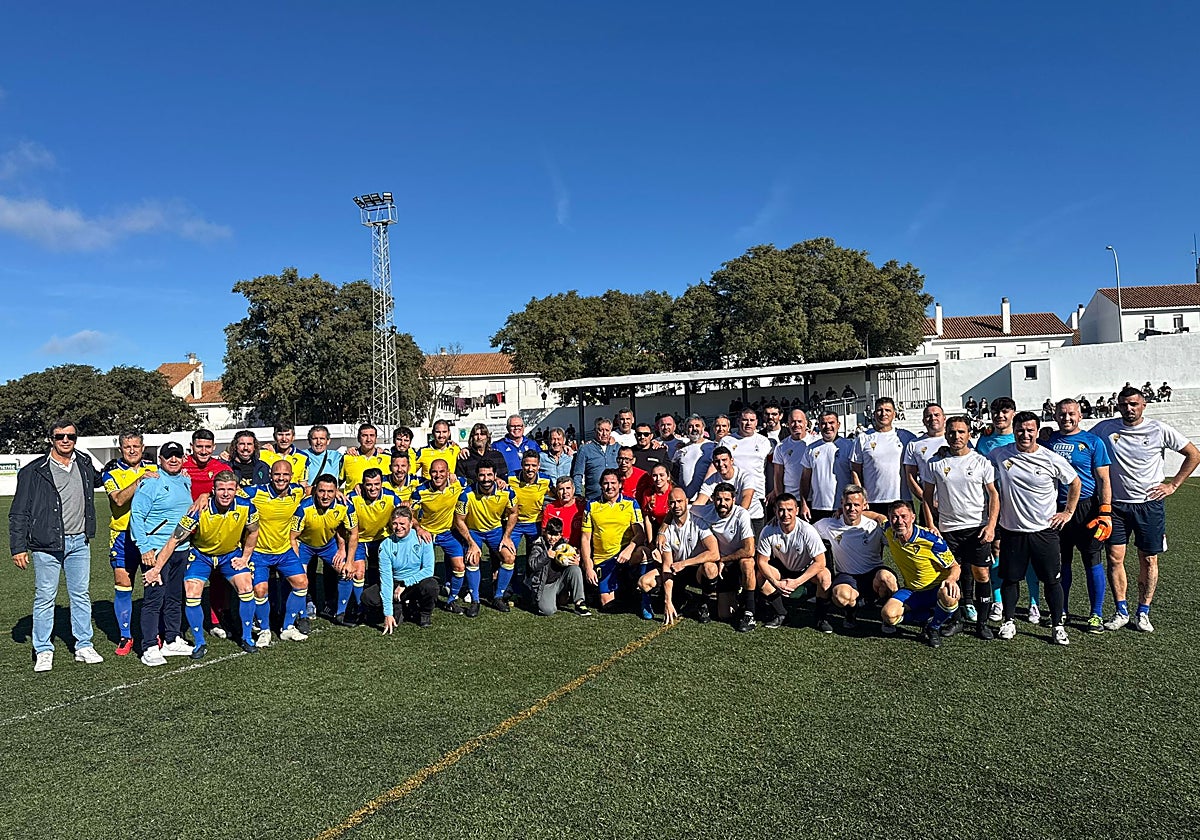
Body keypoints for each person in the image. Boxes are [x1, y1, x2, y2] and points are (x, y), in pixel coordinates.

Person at [1094, 386, 1200, 632]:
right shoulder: (1105, 428)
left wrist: (1173, 485)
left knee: (1149, 559)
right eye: (1124, 404)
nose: (1128, 409)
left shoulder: (1158, 429)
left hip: (1149, 505)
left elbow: (1193, 454)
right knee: (1114, 558)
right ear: (1118, 406)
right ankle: (1121, 611)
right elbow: (1082, 440)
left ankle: (1143, 612)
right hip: (1116, 506)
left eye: (1133, 404)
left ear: (1143, 405)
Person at [10, 419, 104, 672]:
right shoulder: (33, 470)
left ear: (76, 439)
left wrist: (136, 469)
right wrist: (18, 547)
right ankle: (43, 649)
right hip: (46, 545)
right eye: (60, 436)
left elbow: (101, 479)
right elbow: (19, 512)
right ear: (51, 439)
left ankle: (84, 645)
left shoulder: (84, 462)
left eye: (70, 436)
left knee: (81, 595)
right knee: (45, 597)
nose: (65, 440)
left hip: (79, 542)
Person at [990, 411, 1080, 645]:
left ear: (1037, 432)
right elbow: (976, 463)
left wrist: (1068, 512)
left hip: (1044, 531)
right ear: (1013, 431)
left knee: (1052, 580)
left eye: (1030, 430)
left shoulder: (1051, 458)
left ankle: (1057, 626)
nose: (1025, 434)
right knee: (1010, 580)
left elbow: (1074, 482)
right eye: (1020, 430)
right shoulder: (1000, 454)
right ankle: (1008, 621)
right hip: (1012, 531)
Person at [156, 471, 259, 658]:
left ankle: (246, 638)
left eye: (230, 489)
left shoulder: (247, 506)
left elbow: (253, 531)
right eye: (221, 489)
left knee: (246, 587)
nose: (225, 494)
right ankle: (199, 643)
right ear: (213, 491)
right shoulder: (199, 509)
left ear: (237, 490)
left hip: (230, 554)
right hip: (201, 555)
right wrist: (156, 569)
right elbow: (175, 539)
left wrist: (245, 557)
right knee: (192, 592)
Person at [920, 416, 999, 639]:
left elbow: (993, 494)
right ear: (946, 435)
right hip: (948, 529)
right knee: (950, 574)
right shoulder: (935, 462)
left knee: (981, 573)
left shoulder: (981, 462)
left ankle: (982, 623)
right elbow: (927, 497)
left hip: (977, 527)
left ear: (969, 434)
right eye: (952, 432)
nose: (957, 436)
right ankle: (956, 620)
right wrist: (931, 525)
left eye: (961, 432)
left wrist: (991, 525)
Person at [1046, 398, 1112, 633]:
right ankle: (1061, 611)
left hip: (1086, 509)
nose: (1067, 418)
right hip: (1056, 510)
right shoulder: (1047, 440)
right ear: (1055, 416)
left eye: (1071, 413)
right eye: (1062, 414)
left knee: (1092, 560)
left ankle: (1096, 614)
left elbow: (1104, 479)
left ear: (1080, 415)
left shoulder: (1093, 442)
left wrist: (1105, 511)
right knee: (1061, 562)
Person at [130, 441, 195, 665]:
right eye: (169, 456)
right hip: (156, 550)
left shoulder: (185, 479)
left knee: (175, 597)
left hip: (181, 549)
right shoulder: (152, 482)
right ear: (160, 459)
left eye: (177, 455)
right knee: (154, 599)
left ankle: (171, 638)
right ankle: (149, 646)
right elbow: (136, 516)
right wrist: (144, 547)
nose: (173, 460)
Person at [871, 501, 960, 648]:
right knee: (888, 615)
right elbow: (877, 516)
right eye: (894, 517)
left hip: (935, 590)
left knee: (950, 596)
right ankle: (926, 616)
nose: (899, 521)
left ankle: (933, 628)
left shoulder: (931, 540)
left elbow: (955, 566)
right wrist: (845, 513)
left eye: (904, 516)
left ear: (913, 517)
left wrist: (951, 580)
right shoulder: (889, 530)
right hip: (912, 591)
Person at [101, 432, 159, 656]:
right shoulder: (111, 473)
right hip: (122, 536)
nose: (132, 450)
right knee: (123, 584)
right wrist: (141, 480)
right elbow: (118, 499)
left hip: (149, 536)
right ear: (121, 449)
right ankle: (126, 636)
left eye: (136, 446)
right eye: (127, 447)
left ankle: (154, 632)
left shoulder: (155, 468)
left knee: (153, 583)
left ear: (143, 447)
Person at [242, 460, 309, 644]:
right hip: (259, 552)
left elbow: (312, 490)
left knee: (302, 583)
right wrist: (204, 496)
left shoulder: (297, 492)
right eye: (277, 474)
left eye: (285, 474)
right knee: (260, 590)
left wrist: (339, 494)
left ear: (291, 476)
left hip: (284, 551)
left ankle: (287, 627)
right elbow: (230, 493)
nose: (281, 478)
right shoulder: (256, 492)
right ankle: (264, 630)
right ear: (270, 475)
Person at [816, 485, 896, 631]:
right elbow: (804, 531)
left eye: (856, 505)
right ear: (842, 504)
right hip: (847, 576)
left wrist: (879, 516)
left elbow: (898, 543)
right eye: (848, 504)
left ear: (864, 505)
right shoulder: (828, 525)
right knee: (840, 595)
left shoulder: (875, 526)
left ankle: (886, 617)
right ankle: (850, 614)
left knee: (887, 578)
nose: (852, 508)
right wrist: (776, 522)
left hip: (873, 574)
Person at [640, 488, 720, 625]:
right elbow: (667, 566)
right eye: (672, 502)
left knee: (710, 568)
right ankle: (679, 596)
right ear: (668, 504)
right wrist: (667, 601)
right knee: (644, 582)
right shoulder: (666, 531)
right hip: (677, 570)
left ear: (686, 502)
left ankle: (704, 604)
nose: (676, 505)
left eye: (679, 501)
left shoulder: (698, 522)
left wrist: (685, 563)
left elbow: (714, 553)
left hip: (696, 570)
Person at [182, 428, 233, 640]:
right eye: (199, 447)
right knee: (184, 579)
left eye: (207, 447)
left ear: (213, 448)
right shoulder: (181, 465)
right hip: (185, 532)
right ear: (192, 447)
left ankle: (216, 619)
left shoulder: (221, 468)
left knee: (218, 578)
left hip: (213, 531)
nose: (203, 451)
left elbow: (230, 491)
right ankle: (180, 623)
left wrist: (206, 494)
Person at [755, 494, 831, 632]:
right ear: (775, 510)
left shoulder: (807, 530)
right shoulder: (768, 530)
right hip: (782, 567)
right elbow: (762, 561)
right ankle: (781, 613)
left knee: (825, 576)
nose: (785, 514)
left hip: (805, 569)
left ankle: (821, 618)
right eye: (781, 510)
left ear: (797, 510)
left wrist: (797, 582)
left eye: (789, 510)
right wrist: (776, 583)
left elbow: (820, 562)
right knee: (760, 576)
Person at [291, 474, 359, 623]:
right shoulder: (303, 508)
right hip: (304, 546)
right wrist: (296, 561)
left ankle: (341, 613)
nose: (325, 496)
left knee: (346, 571)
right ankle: (301, 615)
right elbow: (293, 537)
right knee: (299, 579)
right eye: (322, 491)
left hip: (328, 545)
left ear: (336, 492)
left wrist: (348, 559)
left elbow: (353, 533)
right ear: (315, 490)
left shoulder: (346, 506)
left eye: (330, 492)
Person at [973, 396, 1017, 621]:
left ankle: (1034, 603)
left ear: (1013, 413)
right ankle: (998, 601)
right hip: (993, 503)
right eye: (996, 411)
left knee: (1025, 551)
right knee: (996, 549)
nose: (1000, 416)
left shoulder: (1022, 435)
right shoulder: (984, 440)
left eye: (1005, 411)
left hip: (1020, 503)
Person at [453, 463, 519, 612]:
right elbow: (458, 520)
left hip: (495, 531)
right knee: (473, 559)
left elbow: (514, 512)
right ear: (477, 476)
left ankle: (498, 597)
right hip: (473, 532)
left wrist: (507, 536)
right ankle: (475, 601)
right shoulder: (466, 495)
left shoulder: (507, 492)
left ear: (495, 476)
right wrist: (471, 543)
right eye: (482, 475)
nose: (486, 479)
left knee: (509, 557)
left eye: (489, 475)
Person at [581, 469, 647, 613]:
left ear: (620, 484)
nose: (609, 487)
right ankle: (625, 590)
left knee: (643, 552)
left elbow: (640, 534)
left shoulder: (631, 503)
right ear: (601, 485)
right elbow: (585, 538)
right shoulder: (591, 505)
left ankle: (644, 596)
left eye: (613, 483)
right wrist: (589, 566)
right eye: (606, 483)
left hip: (626, 556)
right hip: (603, 559)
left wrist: (629, 549)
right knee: (607, 605)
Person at [695, 483, 757, 632]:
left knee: (748, 563)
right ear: (712, 499)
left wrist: (724, 560)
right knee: (725, 615)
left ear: (734, 500)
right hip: (721, 566)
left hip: (736, 562)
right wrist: (662, 531)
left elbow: (749, 550)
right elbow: (680, 508)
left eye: (727, 499)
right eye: (719, 499)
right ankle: (707, 602)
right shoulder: (705, 511)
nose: (722, 503)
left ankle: (750, 613)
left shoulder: (742, 514)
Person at [365, 507, 439, 631]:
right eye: (395, 523)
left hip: (415, 582)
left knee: (431, 585)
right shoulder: (385, 545)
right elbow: (386, 580)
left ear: (411, 523)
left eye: (402, 523)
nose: (398, 527)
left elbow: (428, 570)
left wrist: (405, 583)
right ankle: (398, 605)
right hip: (395, 583)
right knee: (368, 597)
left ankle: (424, 614)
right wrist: (388, 613)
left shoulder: (424, 538)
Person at [411, 459, 469, 615]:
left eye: (442, 471)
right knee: (423, 570)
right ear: (429, 473)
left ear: (448, 472)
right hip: (427, 534)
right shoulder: (420, 491)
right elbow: (411, 515)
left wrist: (500, 482)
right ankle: (417, 600)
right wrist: (419, 528)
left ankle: (451, 600)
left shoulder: (459, 484)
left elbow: (476, 484)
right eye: (434, 472)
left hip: (448, 533)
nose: (438, 475)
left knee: (459, 567)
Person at [346, 468, 401, 622]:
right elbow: (338, 503)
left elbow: (403, 513)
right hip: (359, 540)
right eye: (369, 484)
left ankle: (380, 603)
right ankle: (360, 607)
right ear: (363, 485)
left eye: (376, 484)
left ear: (382, 484)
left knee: (382, 571)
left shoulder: (390, 497)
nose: (373, 488)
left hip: (381, 539)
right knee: (359, 573)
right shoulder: (353, 497)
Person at [851, 397, 916, 512]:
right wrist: (861, 497)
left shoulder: (906, 437)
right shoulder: (863, 438)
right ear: (874, 414)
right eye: (879, 410)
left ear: (894, 414)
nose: (883, 414)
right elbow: (855, 471)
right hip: (872, 501)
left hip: (901, 499)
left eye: (888, 410)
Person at [719, 409, 773, 531]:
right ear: (738, 421)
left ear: (756, 422)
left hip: (758, 495)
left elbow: (773, 466)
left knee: (757, 535)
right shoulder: (726, 441)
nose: (748, 423)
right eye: (745, 420)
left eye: (752, 420)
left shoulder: (764, 442)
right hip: (732, 495)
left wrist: (773, 489)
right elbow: (716, 466)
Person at [526, 518, 591, 617]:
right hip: (546, 585)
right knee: (548, 611)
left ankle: (579, 603)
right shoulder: (538, 546)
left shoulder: (564, 546)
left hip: (560, 581)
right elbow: (532, 565)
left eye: (556, 535)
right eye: (550, 534)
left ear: (560, 535)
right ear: (545, 532)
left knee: (575, 569)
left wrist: (576, 560)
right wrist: (546, 555)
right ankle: (556, 598)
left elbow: (573, 563)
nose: (552, 538)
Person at [799, 410, 855, 523]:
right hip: (817, 507)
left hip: (843, 508)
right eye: (823, 423)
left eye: (831, 423)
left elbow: (855, 476)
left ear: (838, 425)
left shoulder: (849, 446)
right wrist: (803, 504)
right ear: (819, 426)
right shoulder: (811, 448)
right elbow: (805, 479)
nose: (827, 426)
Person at [695, 446, 762, 533]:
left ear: (732, 461)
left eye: (724, 460)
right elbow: (699, 502)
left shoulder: (746, 476)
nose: (721, 464)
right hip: (726, 518)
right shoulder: (710, 480)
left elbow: (746, 498)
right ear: (713, 463)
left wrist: (735, 519)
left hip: (752, 516)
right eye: (717, 461)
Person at [903, 403, 946, 514]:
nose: (933, 418)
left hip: (957, 504)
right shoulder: (914, 444)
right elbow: (910, 478)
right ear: (923, 421)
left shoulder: (957, 440)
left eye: (937, 415)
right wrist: (928, 501)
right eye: (928, 416)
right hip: (929, 506)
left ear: (944, 418)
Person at [509, 451, 553, 558]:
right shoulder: (510, 478)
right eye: (527, 465)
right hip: (514, 523)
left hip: (535, 523)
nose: (530, 469)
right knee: (509, 555)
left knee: (534, 556)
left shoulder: (546, 480)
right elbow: (495, 481)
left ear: (539, 466)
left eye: (534, 465)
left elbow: (557, 495)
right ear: (521, 465)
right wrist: (498, 480)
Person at [572, 416, 619, 502]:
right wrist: (578, 494)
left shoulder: (617, 448)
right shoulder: (585, 449)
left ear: (611, 432)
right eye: (601, 430)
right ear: (595, 431)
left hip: (615, 498)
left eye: (607, 430)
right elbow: (578, 474)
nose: (604, 434)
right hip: (593, 498)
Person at [672, 414, 715, 500]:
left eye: (697, 426)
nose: (694, 429)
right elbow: (673, 472)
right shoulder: (681, 449)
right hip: (685, 499)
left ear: (703, 428)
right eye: (690, 426)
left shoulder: (712, 446)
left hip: (706, 499)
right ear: (686, 429)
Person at [341, 422, 389, 495]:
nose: (368, 439)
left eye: (372, 435)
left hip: (381, 502)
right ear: (358, 438)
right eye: (364, 436)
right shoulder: (347, 458)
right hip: (353, 501)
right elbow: (335, 482)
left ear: (376, 438)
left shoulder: (388, 458)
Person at [259, 422, 309, 490]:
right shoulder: (262, 454)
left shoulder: (303, 457)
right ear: (274, 436)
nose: (284, 439)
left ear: (293, 437)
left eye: (287, 434)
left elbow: (303, 485)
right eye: (280, 435)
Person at [542, 476, 586, 549]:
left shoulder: (582, 506)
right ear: (557, 492)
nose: (565, 492)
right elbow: (544, 532)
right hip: (558, 549)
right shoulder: (550, 508)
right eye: (561, 489)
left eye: (568, 488)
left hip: (580, 548)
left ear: (573, 490)